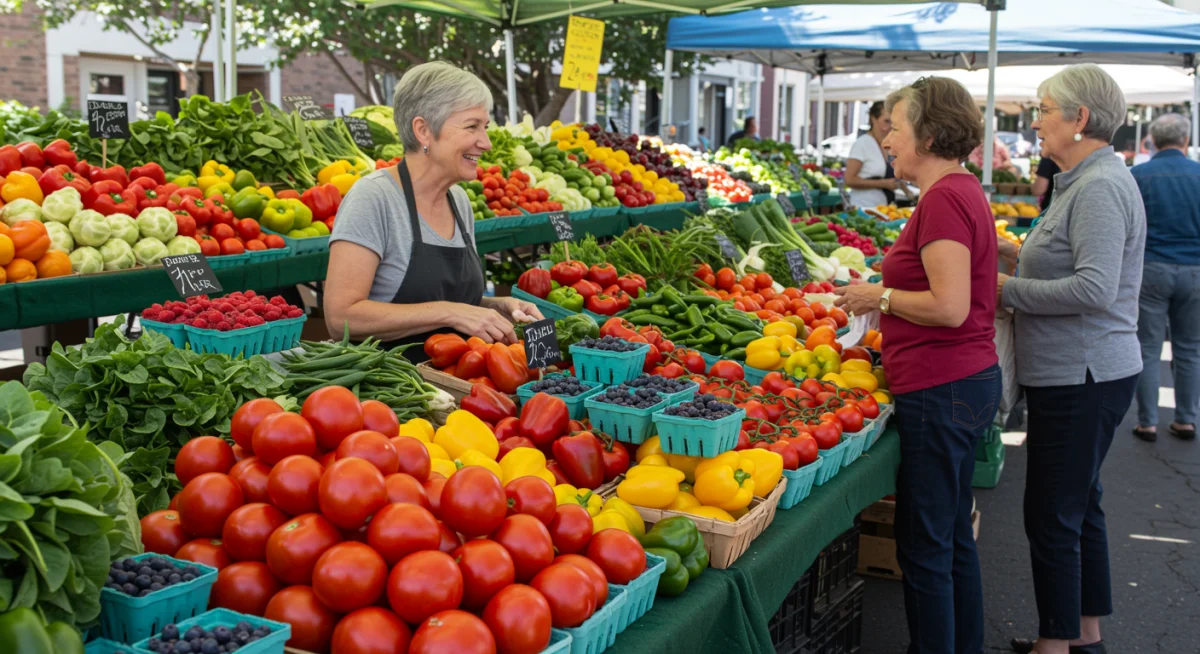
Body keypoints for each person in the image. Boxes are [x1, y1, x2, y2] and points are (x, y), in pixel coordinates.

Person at [833, 77, 998, 654]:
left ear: (928, 134)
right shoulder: (959, 189)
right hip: (963, 380)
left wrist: (876, 298)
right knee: (950, 536)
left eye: (897, 127)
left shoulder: (945, 198)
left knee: (925, 546)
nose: (888, 137)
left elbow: (949, 307)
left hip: (943, 384)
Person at [997, 64, 1145, 654]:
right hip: (1081, 371)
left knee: (1053, 515)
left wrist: (1004, 291)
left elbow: (1093, 288)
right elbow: (1067, 261)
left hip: (1083, 373)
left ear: (1078, 118)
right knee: (1079, 507)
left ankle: (1054, 646)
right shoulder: (1083, 178)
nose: (1033, 122)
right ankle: (1082, 636)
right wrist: (1010, 250)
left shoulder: (1100, 185)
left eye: (1042, 109)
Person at [324, 62, 542, 360]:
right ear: (423, 130)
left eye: (485, 127)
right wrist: (451, 312)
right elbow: (341, 318)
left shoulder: (459, 201)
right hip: (391, 391)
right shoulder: (374, 198)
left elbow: (443, 300)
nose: (486, 143)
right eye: (472, 126)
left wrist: (495, 305)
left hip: (456, 383)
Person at [1130, 113, 1200, 442]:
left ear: (1152, 141)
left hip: (1152, 268)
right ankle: (1186, 418)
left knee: (1147, 347)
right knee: (1189, 349)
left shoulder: (1138, 175)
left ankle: (1148, 422)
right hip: (1195, 270)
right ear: (1185, 140)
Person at [845, 101, 903, 208]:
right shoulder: (862, 144)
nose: (890, 126)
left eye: (893, 122)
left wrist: (909, 192)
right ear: (873, 118)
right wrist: (883, 184)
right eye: (886, 121)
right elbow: (849, 179)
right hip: (864, 207)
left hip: (884, 207)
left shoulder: (889, 145)